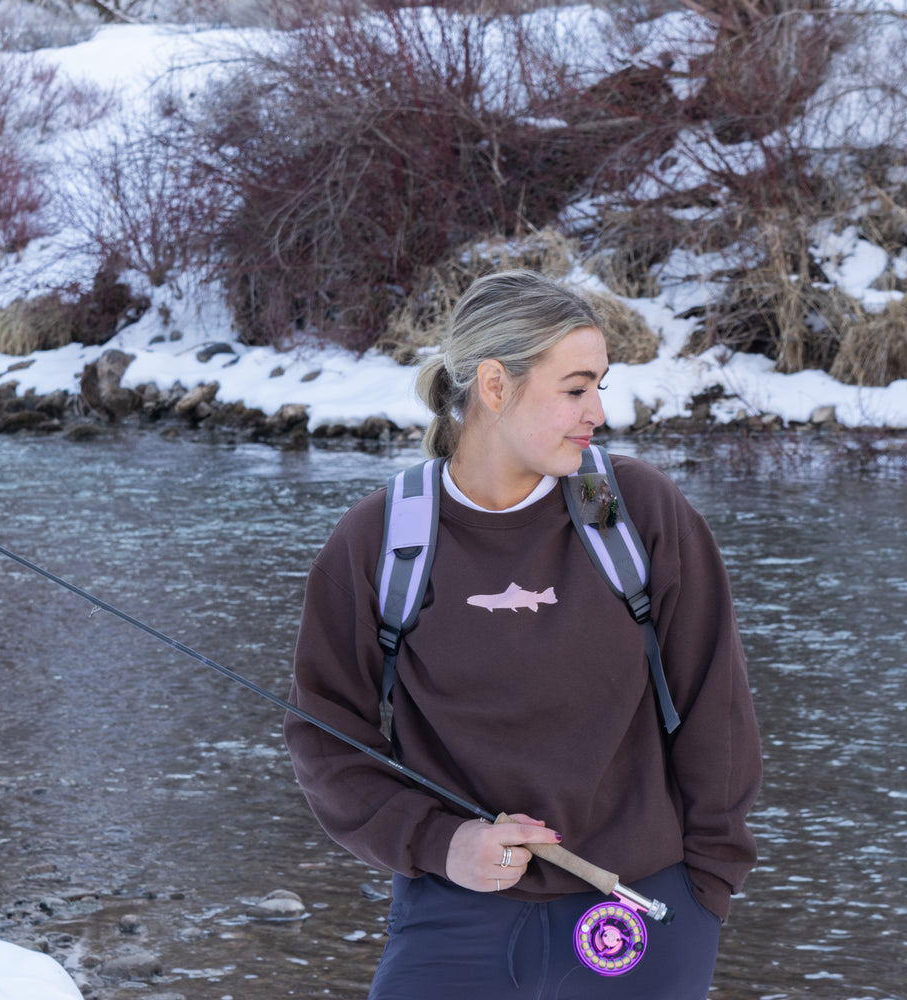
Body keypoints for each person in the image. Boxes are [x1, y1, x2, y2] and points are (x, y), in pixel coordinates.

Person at [284, 269, 762, 998]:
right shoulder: (379, 541)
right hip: (451, 913)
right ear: (495, 387)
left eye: (600, 384)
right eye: (575, 388)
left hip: (639, 917)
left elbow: (715, 709)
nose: (598, 411)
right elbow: (326, 740)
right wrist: (440, 845)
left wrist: (707, 890)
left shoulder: (636, 514)